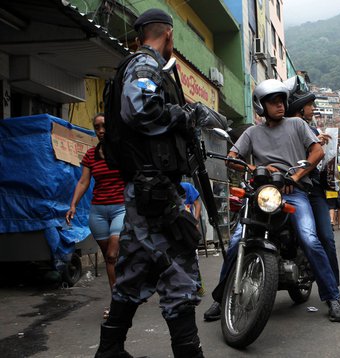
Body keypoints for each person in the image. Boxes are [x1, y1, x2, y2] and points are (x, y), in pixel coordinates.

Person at [95, 9, 209, 358]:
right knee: (180, 275)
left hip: (147, 189)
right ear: (169, 35)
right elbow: (141, 110)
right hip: (153, 191)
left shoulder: (146, 66)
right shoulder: (145, 65)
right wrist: (185, 116)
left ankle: (109, 350)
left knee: (132, 275)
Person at [204, 79, 340, 323]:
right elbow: (231, 158)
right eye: (273, 101)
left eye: (282, 100)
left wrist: (295, 175)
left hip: (293, 192)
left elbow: (317, 152)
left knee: (310, 239)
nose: (280, 105)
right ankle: (221, 299)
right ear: (261, 106)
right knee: (238, 240)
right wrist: (257, 169)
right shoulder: (251, 132)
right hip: (261, 193)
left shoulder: (297, 124)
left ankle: (332, 296)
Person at [66, 113, 125, 319]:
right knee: (112, 259)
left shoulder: (122, 151)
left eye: (104, 126)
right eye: (97, 127)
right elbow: (83, 182)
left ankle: (118, 304)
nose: (101, 131)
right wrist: (72, 205)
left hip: (121, 208)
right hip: (98, 210)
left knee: (111, 255)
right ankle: (119, 297)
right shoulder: (91, 155)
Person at [284, 77, 340, 287]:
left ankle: (333, 289)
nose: (313, 109)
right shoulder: (281, 129)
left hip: (311, 188)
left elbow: (316, 155)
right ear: (299, 108)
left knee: (326, 238)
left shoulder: (311, 130)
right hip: (285, 188)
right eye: (310, 105)